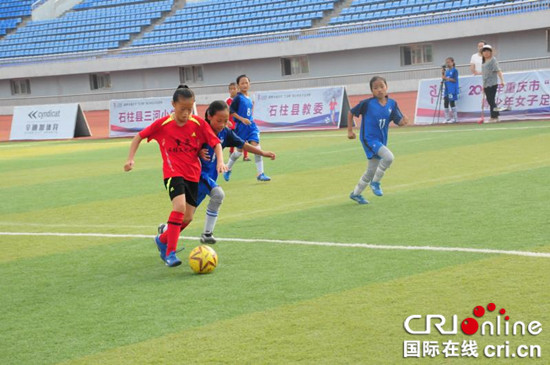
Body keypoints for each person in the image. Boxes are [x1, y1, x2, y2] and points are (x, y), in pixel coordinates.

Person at [124, 85, 227, 267]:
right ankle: (170, 252)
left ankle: (162, 240)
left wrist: (220, 161)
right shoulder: (163, 124)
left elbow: (216, 143)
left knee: (187, 218)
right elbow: (138, 137)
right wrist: (130, 159)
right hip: (173, 173)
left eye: (190, 108)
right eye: (182, 109)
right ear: (173, 104)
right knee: (178, 207)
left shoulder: (198, 123)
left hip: (193, 175)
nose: (186, 113)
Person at [347, 76, 409, 205]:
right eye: (375, 88)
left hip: (380, 140)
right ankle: (375, 183)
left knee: (371, 171)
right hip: (369, 139)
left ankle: (356, 194)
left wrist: (403, 122)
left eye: (382, 86)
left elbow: (398, 120)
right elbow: (350, 112)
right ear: (372, 91)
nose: (379, 90)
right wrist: (350, 131)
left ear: (386, 87)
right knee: (389, 157)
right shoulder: (367, 103)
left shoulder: (392, 103)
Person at [224, 74, 271, 182]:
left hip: (251, 126)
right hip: (241, 127)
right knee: (238, 152)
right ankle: (228, 168)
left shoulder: (249, 98)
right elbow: (231, 111)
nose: (244, 85)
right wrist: (241, 119)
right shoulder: (237, 98)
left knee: (257, 148)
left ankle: (260, 174)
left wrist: (248, 119)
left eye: (246, 83)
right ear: (238, 85)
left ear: (249, 84)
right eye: (242, 83)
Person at [226, 82, 250, 161]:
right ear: (229, 90)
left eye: (234, 88)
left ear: (238, 89)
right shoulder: (227, 101)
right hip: (231, 124)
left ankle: (245, 156)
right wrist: (226, 121)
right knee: (233, 139)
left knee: (244, 139)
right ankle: (231, 153)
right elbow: (225, 112)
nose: (232, 90)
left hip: (240, 123)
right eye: (231, 89)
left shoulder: (241, 99)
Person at [481, 45, 505, 123]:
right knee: (490, 100)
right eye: (484, 51)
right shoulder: (483, 61)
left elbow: (498, 70)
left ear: (491, 52)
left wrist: (502, 80)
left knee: (491, 100)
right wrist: (483, 85)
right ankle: (496, 116)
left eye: (488, 51)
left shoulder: (493, 60)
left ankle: (493, 117)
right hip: (486, 84)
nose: (486, 53)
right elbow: (484, 74)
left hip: (492, 83)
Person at [442, 57, 459, 123]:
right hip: (447, 89)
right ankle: (447, 118)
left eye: (449, 62)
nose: (447, 63)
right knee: (445, 102)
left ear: (452, 62)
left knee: (452, 102)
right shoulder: (446, 71)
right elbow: (443, 78)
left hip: (452, 89)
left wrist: (447, 78)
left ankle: (455, 118)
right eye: (446, 62)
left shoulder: (455, 71)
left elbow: (455, 80)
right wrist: (443, 73)